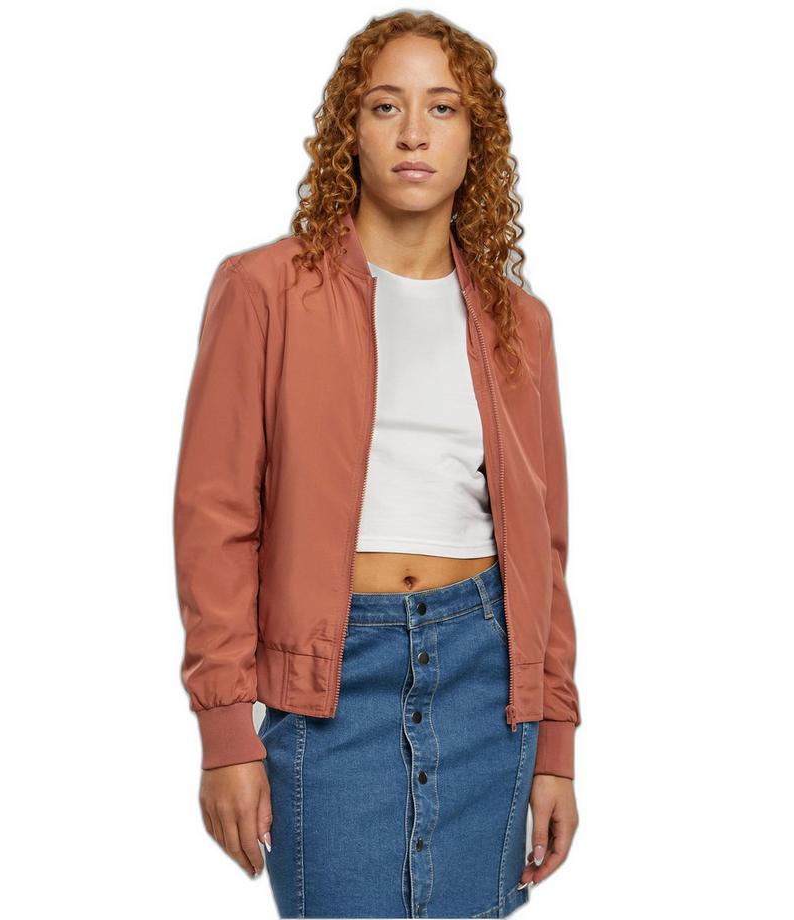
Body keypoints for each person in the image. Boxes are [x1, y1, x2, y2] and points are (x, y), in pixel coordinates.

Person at [173, 11, 581, 918]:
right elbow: (215, 518)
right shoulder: (264, 291)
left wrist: (555, 740)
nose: (413, 133)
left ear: (477, 139)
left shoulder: (520, 324)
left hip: (487, 679)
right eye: (385, 105)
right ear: (347, 131)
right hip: (329, 682)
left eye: (444, 108)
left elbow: (544, 549)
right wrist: (225, 731)